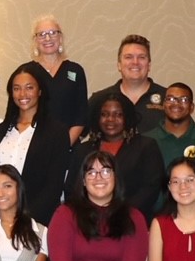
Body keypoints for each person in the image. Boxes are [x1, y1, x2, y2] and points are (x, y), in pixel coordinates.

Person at [0, 63, 71, 225]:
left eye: (29, 87)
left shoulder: (56, 132)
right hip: (0, 220)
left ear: (39, 91)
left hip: (38, 221)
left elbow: (54, 185)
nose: (22, 94)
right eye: (16, 88)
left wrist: (25, 219)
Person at [65, 92, 164, 222]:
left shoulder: (146, 146)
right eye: (104, 114)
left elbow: (151, 187)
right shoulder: (83, 149)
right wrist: (91, 214)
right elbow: (72, 188)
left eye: (118, 114)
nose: (110, 119)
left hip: (131, 221)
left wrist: (119, 213)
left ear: (127, 117)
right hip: (89, 222)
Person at [25, 14, 88, 144]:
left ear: (60, 38)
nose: (47, 38)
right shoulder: (26, 72)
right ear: (35, 40)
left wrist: (64, 145)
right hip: (33, 146)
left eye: (53, 33)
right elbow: (20, 113)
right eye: (41, 34)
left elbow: (81, 115)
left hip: (68, 147)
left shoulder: (75, 71)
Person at [87, 34, 167, 134]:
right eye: (128, 57)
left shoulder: (168, 99)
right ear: (119, 65)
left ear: (149, 65)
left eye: (141, 57)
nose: (135, 62)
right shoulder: (99, 100)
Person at [145, 82, 195, 166]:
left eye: (184, 100)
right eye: (170, 99)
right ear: (164, 105)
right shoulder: (146, 140)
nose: (176, 104)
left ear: (191, 107)